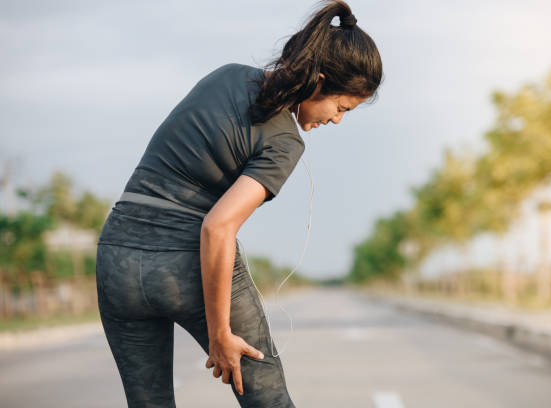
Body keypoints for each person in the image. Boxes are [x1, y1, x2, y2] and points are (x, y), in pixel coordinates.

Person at [95, 0, 382, 406]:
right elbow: (217, 227)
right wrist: (219, 334)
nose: (336, 120)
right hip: (183, 261)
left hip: (116, 259)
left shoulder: (227, 75)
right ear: (318, 81)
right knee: (269, 400)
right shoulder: (285, 142)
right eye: (341, 107)